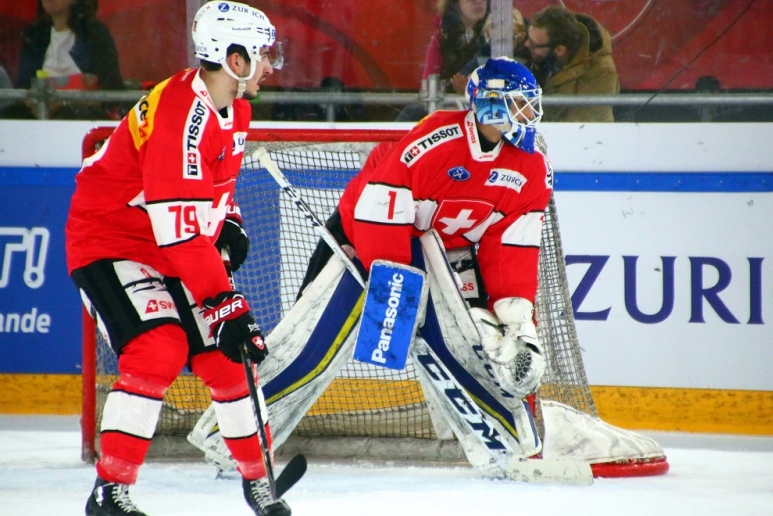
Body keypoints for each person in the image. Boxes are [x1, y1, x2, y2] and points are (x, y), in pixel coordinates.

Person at [191, 56, 553, 480]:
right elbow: (379, 205)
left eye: (529, 103)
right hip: (366, 239)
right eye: (518, 102)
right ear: (489, 103)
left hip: (439, 254)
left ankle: (507, 447)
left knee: (461, 348)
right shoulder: (436, 140)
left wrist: (515, 317)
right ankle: (229, 440)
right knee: (312, 350)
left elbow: (511, 247)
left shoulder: (530, 166)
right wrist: (393, 283)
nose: (528, 112)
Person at [66, 0, 290, 516]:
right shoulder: (179, 116)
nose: (272, 65)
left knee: (228, 359)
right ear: (235, 60)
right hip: (111, 238)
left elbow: (210, 190)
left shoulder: (236, 106)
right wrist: (225, 304)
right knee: (157, 349)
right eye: (264, 54)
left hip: (167, 239)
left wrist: (229, 219)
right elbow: (182, 235)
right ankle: (110, 492)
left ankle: (259, 482)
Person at [396, 0, 489, 122]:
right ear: (455, 1)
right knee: (413, 112)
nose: (479, 0)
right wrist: (453, 91)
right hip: (449, 107)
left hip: (486, 108)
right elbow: (429, 85)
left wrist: (469, 90)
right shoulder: (442, 38)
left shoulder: (497, 36)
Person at [525, 5, 619, 122]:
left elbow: (582, 123)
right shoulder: (543, 49)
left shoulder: (601, 72)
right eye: (527, 37)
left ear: (559, 50)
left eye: (533, 44)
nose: (526, 44)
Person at [450, 7, 530, 94]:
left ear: (520, 38)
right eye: (495, 41)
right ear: (487, 36)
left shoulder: (527, 63)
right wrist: (463, 90)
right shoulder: (479, 61)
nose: (500, 47)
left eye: (507, 41)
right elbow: (455, 86)